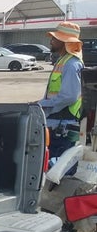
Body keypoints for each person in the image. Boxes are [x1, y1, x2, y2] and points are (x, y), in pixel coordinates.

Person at [36, 21, 83, 159]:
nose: (51, 41)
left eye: (55, 38)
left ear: (64, 42)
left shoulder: (71, 64)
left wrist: (42, 104)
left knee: (54, 168)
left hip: (63, 126)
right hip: (57, 123)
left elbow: (69, 96)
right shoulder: (63, 61)